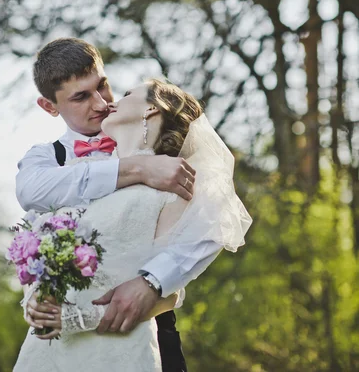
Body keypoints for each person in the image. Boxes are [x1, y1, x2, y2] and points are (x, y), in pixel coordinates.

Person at [15, 38, 251, 370]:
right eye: (81, 97)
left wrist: (153, 282)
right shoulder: (47, 159)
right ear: (50, 106)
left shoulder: (164, 155)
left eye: (103, 86)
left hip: (144, 337)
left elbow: (211, 219)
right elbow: (34, 220)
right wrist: (33, 301)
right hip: (56, 348)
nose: (100, 103)